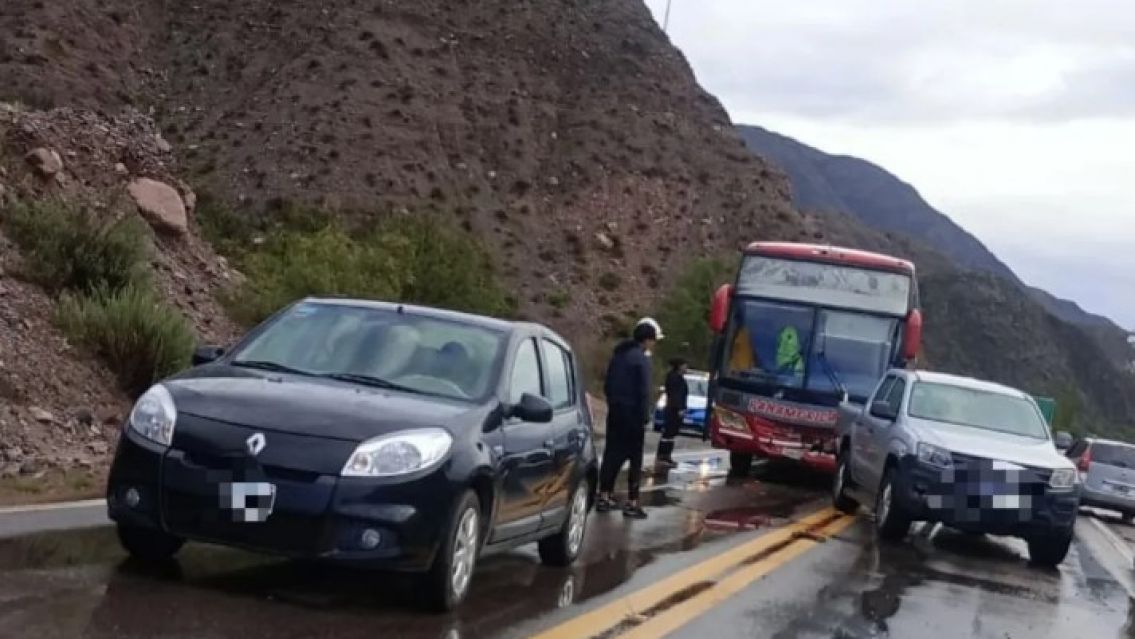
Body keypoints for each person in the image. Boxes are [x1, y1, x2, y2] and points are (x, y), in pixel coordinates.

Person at [597, 317, 662, 519]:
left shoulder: (618, 356)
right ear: (647, 340)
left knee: (611, 455)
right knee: (635, 459)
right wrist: (644, 417)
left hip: (615, 413)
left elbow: (607, 385)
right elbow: (643, 391)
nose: (653, 344)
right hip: (633, 416)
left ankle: (604, 495)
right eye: (653, 340)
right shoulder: (641, 360)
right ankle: (632, 502)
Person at [655, 357, 689, 468]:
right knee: (668, 432)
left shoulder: (677, 378)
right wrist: (680, 408)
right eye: (684, 365)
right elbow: (676, 395)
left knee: (672, 433)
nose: (686, 368)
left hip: (674, 408)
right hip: (673, 409)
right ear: (679, 366)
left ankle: (667, 455)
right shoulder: (675, 378)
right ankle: (663, 455)